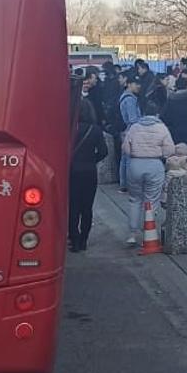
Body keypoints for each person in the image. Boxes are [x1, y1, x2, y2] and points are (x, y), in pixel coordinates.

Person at [120, 110, 176, 246]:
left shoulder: (134, 127)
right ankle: (148, 234)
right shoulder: (162, 128)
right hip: (154, 165)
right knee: (151, 200)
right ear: (157, 114)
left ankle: (132, 234)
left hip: (135, 164)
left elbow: (126, 148)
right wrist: (160, 154)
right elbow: (170, 150)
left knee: (134, 199)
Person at [69, 78, 106, 253]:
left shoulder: (70, 129)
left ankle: (74, 239)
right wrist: (93, 160)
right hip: (90, 171)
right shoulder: (95, 130)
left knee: (73, 206)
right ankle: (84, 239)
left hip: (72, 171)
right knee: (87, 207)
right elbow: (104, 151)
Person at [114, 75, 145, 193]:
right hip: (131, 131)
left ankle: (124, 184)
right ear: (129, 84)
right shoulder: (130, 99)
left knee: (125, 158)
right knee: (129, 159)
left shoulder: (123, 97)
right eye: (136, 84)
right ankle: (129, 184)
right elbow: (133, 119)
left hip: (125, 131)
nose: (139, 86)